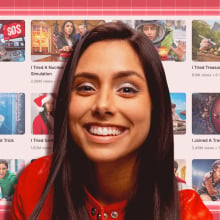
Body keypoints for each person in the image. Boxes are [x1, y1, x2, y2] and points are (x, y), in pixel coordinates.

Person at [12, 22, 212, 220]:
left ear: (156, 106)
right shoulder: (35, 182)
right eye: (86, 87)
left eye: (126, 89)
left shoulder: (189, 213)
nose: (102, 105)